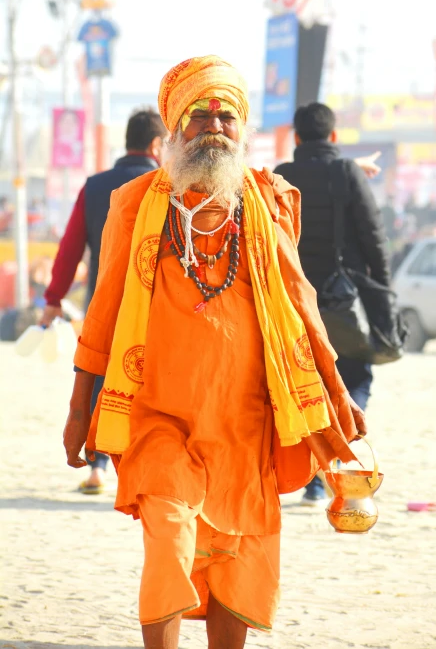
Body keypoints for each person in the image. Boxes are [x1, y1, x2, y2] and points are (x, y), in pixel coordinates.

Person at [62, 56, 367, 649]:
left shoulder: (269, 201)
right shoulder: (135, 203)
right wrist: (79, 410)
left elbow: (299, 306)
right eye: (199, 115)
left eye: (227, 115)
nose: (214, 126)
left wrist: (336, 394)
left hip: (246, 423)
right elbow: (102, 310)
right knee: (170, 535)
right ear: (173, 129)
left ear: (244, 127)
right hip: (160, 419)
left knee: (239, 558)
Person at [43, 108, 167, 494]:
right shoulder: (165, 183)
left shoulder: (96, 186)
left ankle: (97, 467)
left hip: (105, 298)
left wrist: (54, 298)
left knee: (100, 372)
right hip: (157, 302)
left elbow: (70, 248)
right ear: (155, 145)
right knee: (153, 380)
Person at [274, 102, 391, 506]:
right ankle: (341, 463)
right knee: (355, 376)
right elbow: (375, 239)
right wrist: (384, 297)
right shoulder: (346, 173)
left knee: (308, 385)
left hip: (293, 303)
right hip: (346, 304)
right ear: (335, 137)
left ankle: (313, 480)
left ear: (297, 138)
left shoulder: (281, 176)